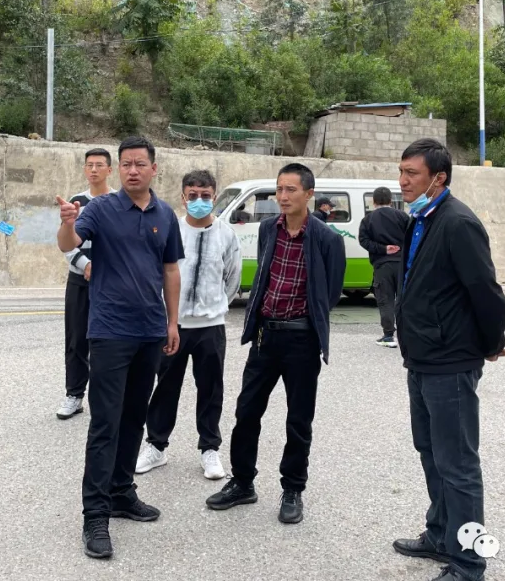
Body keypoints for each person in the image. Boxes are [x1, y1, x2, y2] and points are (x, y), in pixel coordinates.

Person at [55, 136, 183, 561]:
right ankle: (95, 515)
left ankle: (122, 491)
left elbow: (170, 269)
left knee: (133, 417)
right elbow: (68, 244)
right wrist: (67, 222)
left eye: (139, 163)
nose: (132, 170)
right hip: (110, 332)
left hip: (150, 332)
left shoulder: (165, 214)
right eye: (126, 163)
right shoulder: (101, 209)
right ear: (119, 168)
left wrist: (171, 322)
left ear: (153, 168)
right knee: (105, 423)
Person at [390, 138, 505, 581]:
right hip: (421, 356)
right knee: (430, 451)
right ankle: (440, 535)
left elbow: (485, 290)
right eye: (401, 172)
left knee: (457, 464)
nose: (403, 181)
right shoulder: (420, 219)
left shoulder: (458, 222)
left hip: (450, 361)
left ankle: (469, 566)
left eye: (412, 174)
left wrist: (491, 343)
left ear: (438, 178)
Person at [206, 163, 345, 525]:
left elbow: (329, 293)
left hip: (302, 340)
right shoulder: (269, 229)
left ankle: (293, 489)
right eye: (279, 189)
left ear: (308, 194)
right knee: (247, 411)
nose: (282, 197)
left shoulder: (327, 239)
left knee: (298, 419)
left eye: (291, 190)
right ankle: (243, 482)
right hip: (265, 337)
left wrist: (306, 322)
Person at [135, 170, 243, 481]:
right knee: (165, 387)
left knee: (210, 389)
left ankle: (209, 449)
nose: (199, 201)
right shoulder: (171, 231)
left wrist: (215, 308)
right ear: (183, 197)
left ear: (214, 196)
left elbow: (232, 279)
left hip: (211, 326)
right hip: (174, 325)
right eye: (192, 195)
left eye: (205, 195)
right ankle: (156, 446)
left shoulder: (226, 235)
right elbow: (158, 274)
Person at [57, 147, 114, 421]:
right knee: (76, 339)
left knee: (109, 341)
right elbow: (66, 242)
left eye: (99, 165)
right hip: (79, 281)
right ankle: (74, 394)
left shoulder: (119, 201)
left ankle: (107, 397)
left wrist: (102, 267)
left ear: (109, 170)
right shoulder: (75, 202)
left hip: (110, 284)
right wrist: (86, 264)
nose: (93, 169)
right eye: (89, 165)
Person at [358, 186, 410, 348]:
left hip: (382, 265)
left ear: (373, 201)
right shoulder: (403, 216)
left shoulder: (368, 219)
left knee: (385, 300)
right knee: (404, 300)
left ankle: (388, 336)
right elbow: (412, 237)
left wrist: (383, 249)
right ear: (391, 201)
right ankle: (407, 335)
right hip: (402, 265)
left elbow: (363, 241)